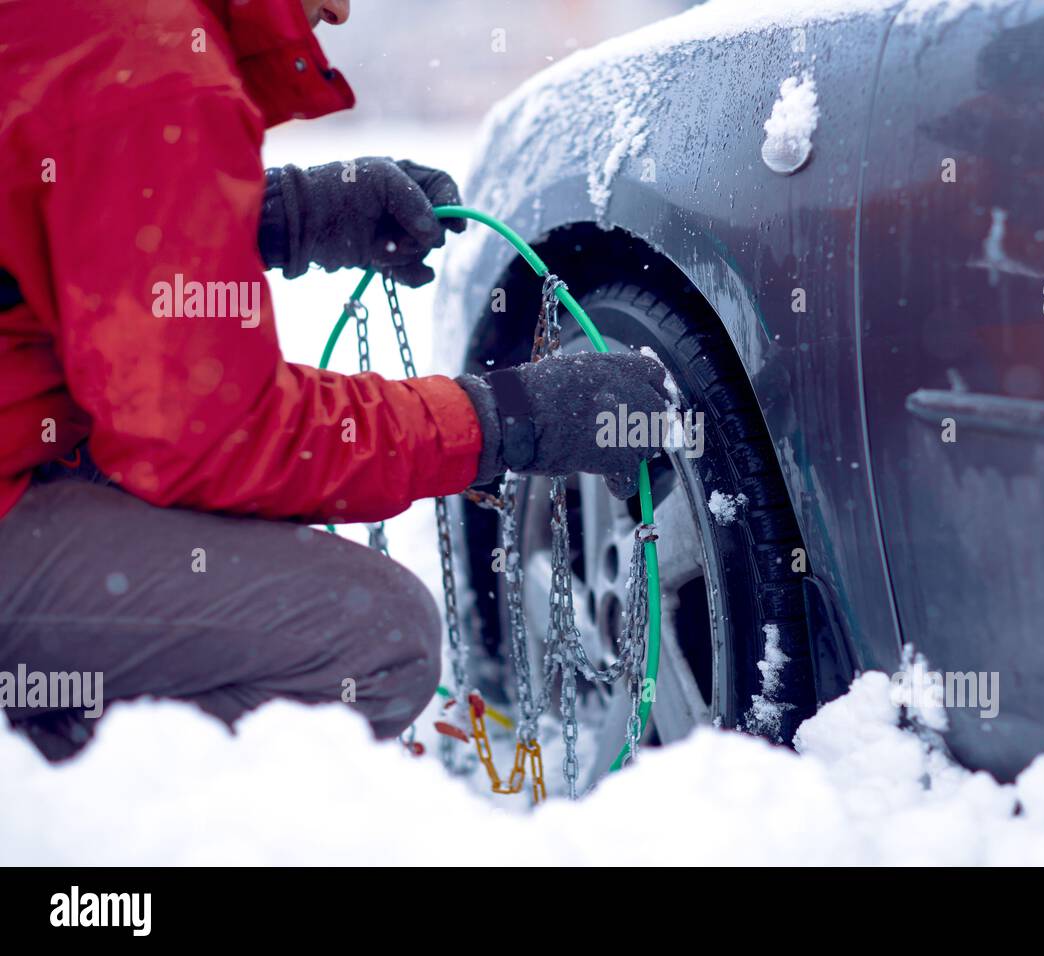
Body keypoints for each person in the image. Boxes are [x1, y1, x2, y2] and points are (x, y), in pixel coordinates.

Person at [0, 0, 671, 758]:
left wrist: (280, 215)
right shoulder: (150, 60)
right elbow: (218, 442)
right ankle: (66, 808)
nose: (342, 12)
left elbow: (55, 212)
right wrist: (508, 418)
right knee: (378, 639)